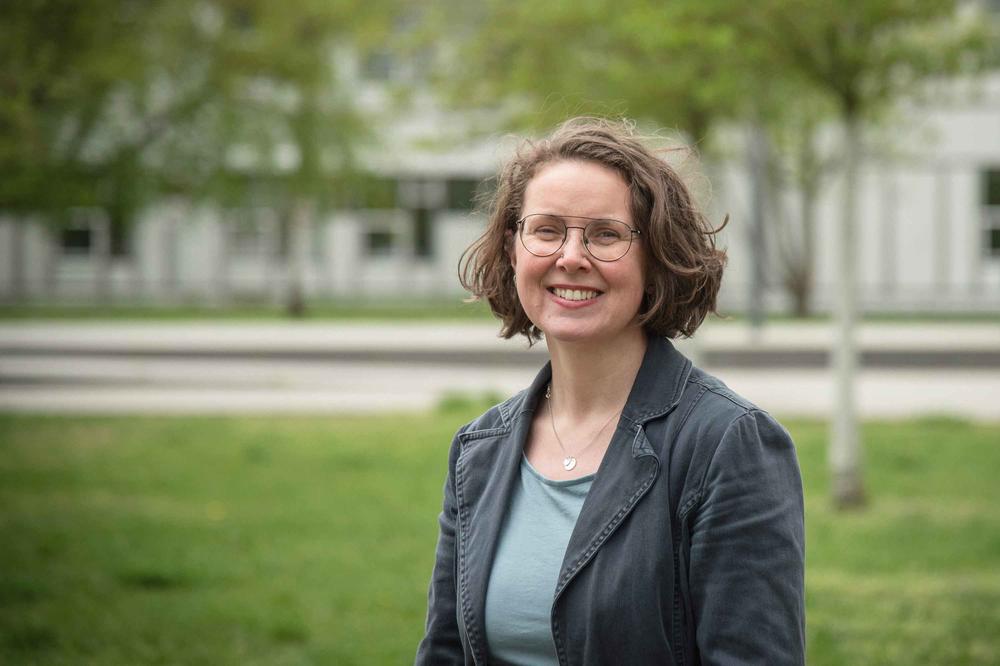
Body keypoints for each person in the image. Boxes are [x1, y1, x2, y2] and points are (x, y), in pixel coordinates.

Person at [415, 118, 805, 665]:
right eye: (547, 230)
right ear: (513, 249)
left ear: (656, 257)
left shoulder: (727, 446)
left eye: (605, 234)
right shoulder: (480, 450)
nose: (571, 256)